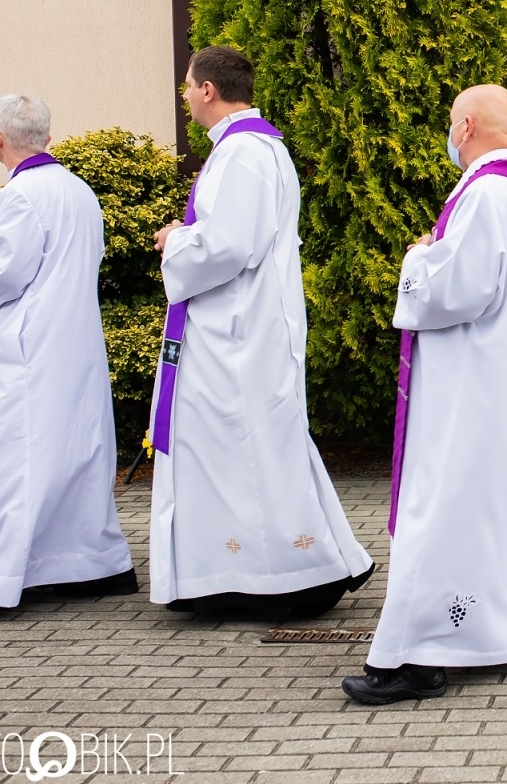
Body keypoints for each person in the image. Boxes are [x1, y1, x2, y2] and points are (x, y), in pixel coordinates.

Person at [345, 86, 507, 706]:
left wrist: (417, 260)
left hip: (469, 388)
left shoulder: (485, 194)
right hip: (504, 381)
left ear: (466, 126)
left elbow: (459, 290)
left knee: (445, 506)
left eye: (450, 124)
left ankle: (417, 651)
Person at [148, 45, 373, 615]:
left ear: (207, 90)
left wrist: (176, 239)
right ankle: (252, 566)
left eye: (187, 85)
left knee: (243, 447)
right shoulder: (255, 148)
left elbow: (228, 245)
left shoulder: (243, 153)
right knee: (249, 447)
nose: (185, 96)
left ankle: (288, 572)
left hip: (237, 334)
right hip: (244, 326)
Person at [0, 96, 135, 610]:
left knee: (12, 452)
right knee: (74, 450)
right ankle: (84, 561)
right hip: (77, 341)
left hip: (32, 344)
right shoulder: (79, 188)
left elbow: (6, 272)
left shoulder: (23, 193)